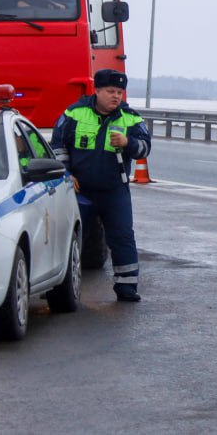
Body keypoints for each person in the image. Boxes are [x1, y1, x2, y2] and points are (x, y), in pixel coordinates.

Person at [51, 69, 152, 302]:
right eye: (110, 91)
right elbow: (58, 145)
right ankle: (61, 285)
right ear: (96, 91)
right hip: (80, 190)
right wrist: (66, 173)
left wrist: (129, 143)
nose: (115, 96)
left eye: (119, 92)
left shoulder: (131, 119)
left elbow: (145, 149)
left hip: (115, 190)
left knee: (123, 237)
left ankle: (127, 287)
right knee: (71, 237)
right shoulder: (75, 114)